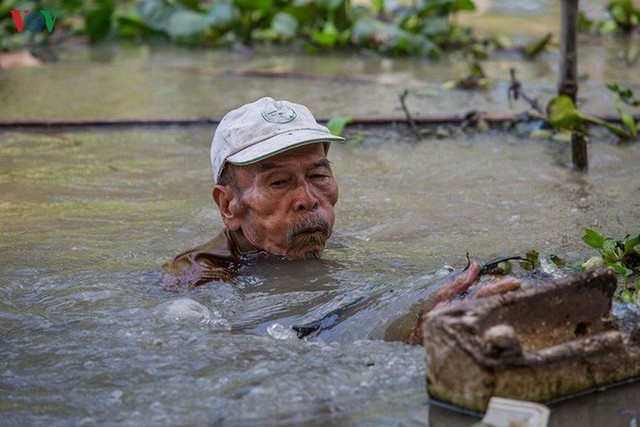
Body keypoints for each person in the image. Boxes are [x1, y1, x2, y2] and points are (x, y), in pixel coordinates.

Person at [162, 97, 345, 290]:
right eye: (279, 182)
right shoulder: (198, 276)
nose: (308, 200)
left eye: (318, 176)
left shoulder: (330, 241)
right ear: (227, 205)